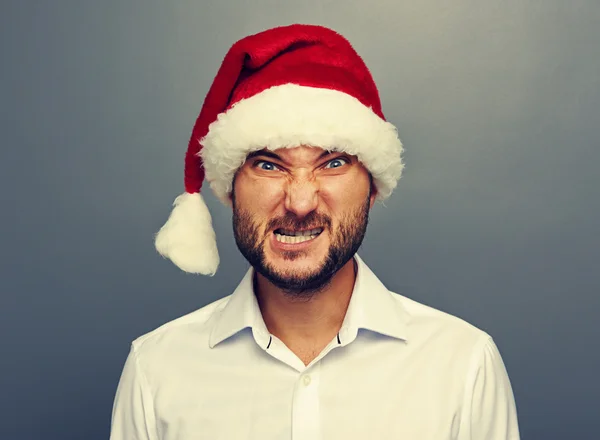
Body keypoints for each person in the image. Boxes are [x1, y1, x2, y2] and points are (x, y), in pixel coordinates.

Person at [109, 24, 520, 440]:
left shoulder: (463, 364)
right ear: (230, 188)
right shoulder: (156, 369)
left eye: (333, 163)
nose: (300, 202)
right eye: (269, 165)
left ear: (373, 188)